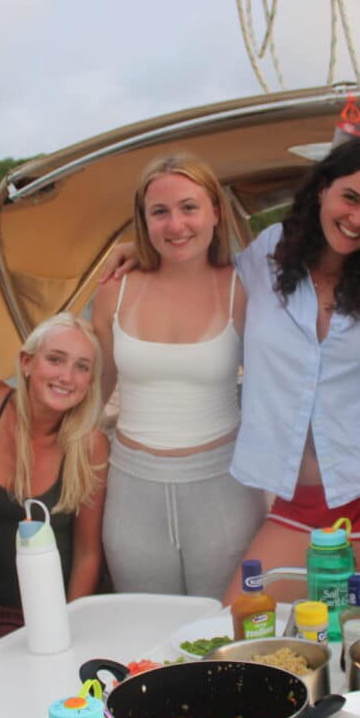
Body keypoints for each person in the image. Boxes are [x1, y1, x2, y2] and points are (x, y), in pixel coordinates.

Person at [103, 138, 360, 604]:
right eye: (350, 198)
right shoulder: (271, 252)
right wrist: (143, 248)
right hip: (298, 502)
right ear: (322, 189)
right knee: (239, 616)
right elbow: (200, 265)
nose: (358, 219)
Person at [90, 154, 264, 597]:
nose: (176, 225)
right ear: (144, 220)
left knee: (223, 625)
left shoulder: (244, 288)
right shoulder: (114, 289)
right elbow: (97, 387)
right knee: (145, 625)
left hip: (223, 488)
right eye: (160, 212)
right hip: (132, 490)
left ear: (215, 212)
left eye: (189, 207)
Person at [0, 313, 109, 640]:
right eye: (55, 359)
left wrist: (65, 626)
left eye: (82, 367)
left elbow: (88, 555)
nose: (66, 377)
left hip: (48, 612)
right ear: (27, 362)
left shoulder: (89, 445)